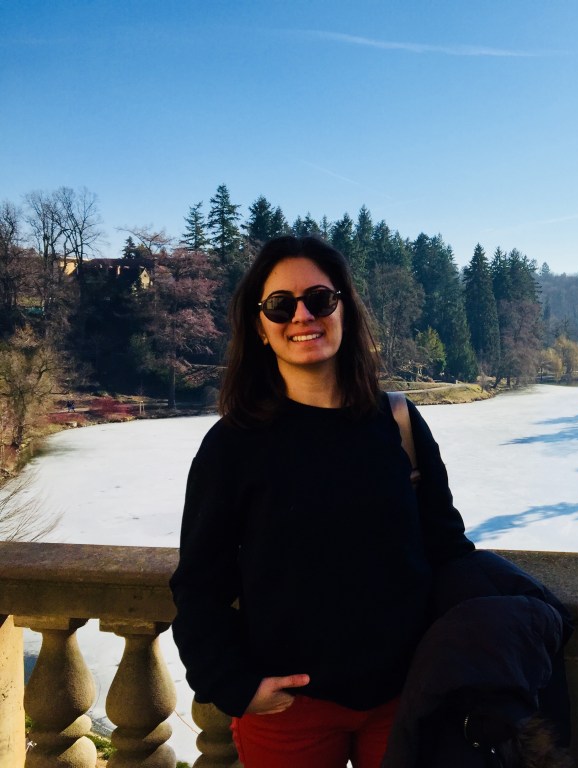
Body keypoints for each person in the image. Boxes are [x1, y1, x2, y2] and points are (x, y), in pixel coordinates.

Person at [169, 235, 477, 767]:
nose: (302, 317)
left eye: (319, 299)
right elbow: (199, 584)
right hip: (291, 710)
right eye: (280, 305)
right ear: (260, 326)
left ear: (344, 309)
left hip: (405, 696)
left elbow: (446, 547)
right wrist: (233, 684)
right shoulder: (234, 445)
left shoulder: (398, 423)